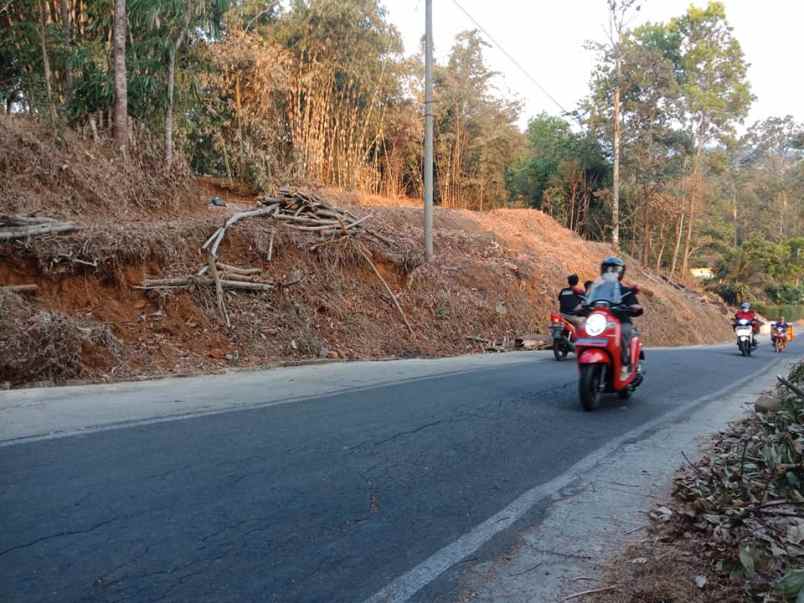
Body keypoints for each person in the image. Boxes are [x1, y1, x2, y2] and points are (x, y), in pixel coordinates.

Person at [594, 256, 643, 377]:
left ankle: (625, 364)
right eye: (608, 270)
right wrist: (581, 306)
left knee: (624, 332)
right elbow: (587, 300)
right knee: (582, 328)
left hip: (620, 321)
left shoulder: (625, 290)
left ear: (620, 273)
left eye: (614, 270)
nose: (611, 273)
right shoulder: (597, 289)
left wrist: (634, 307)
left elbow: (633, 304)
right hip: (600, 321)